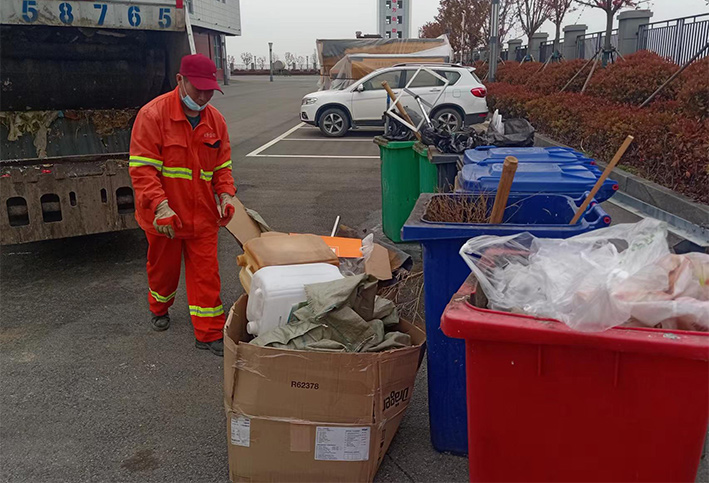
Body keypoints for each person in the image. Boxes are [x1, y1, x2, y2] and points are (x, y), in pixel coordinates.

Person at [129, 54, 237, 357]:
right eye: (197, 89)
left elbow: (222, 166)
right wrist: (161, 207)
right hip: (165, 217)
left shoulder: (216, 121)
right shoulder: (152, 116)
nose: (203, 97)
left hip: (202, 216)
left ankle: (209, 332)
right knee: (163, 272)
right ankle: (159, 307)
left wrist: (226, 195)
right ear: (180, 80)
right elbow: (143, 170)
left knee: (207, 274)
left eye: (209, 91)